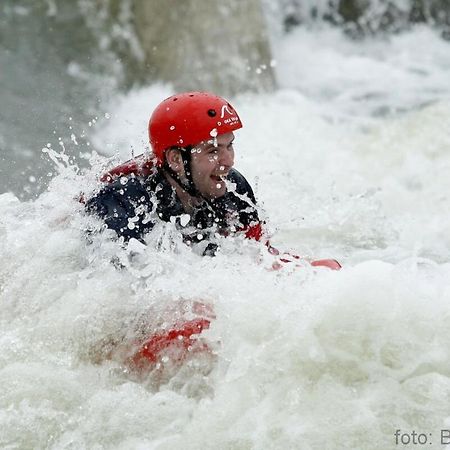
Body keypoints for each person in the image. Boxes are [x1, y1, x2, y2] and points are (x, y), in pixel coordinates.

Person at [86, 91, 340, 269]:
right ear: (176, 159)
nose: (228, 161)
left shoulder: (233, 186)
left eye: (230, 147)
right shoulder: (124, 201)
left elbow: (258, 253)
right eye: (213, 150)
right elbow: (117, 289)